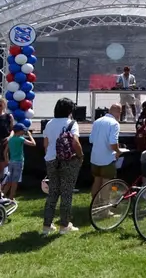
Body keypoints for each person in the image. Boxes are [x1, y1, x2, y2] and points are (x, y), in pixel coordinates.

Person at [41, 97, 84, 236]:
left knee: (52, 192)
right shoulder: (72, 123)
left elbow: (45, 144)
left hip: (51, 160)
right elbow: (75, 143)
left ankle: (46, 226)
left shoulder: (49, 124)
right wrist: (81, 156)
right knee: (66, 193)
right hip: (68, 161)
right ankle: (64, 226)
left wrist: (50, 156)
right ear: (70, 110)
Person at [89, 103, 121, 197]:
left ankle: (94, 205)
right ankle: (105, 208)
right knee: (107, 183)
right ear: (118, 111)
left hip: (95, 158)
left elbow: (91, 139)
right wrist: (118, 151)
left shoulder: (97, 121)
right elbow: (113, 143)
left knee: (97, 181)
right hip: (107, 159)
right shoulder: (114, 123)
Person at [5, 123, 35, 199]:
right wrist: (30, 135)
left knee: (9, 181)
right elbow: (33, 144)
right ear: (19, 131)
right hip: (18, 162)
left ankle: (1, 195)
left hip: (11, 162)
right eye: (23, 131)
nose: (24, 132)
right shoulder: (21, 139)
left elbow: (5, 152)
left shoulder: (10, 139)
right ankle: (11, 198)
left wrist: (7, 161)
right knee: (15, 182)